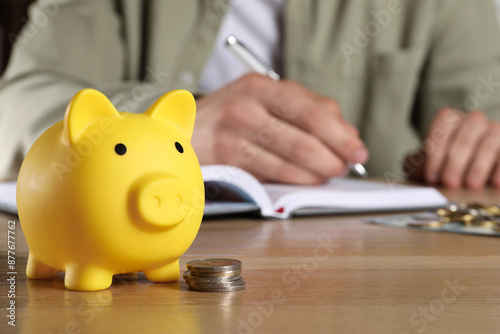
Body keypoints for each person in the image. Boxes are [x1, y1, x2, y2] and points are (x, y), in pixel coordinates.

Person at [1, 0, 500, 190]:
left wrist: (484, 147)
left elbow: (488, 112)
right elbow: (14, 107)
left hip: (377, 280)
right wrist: (169, 131)